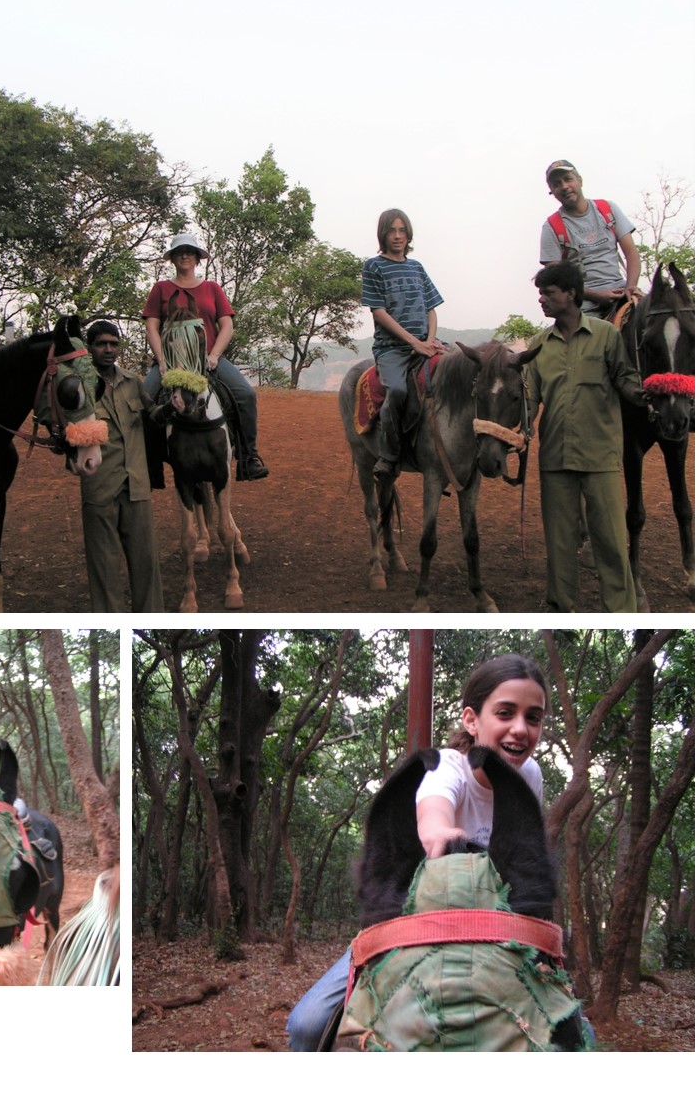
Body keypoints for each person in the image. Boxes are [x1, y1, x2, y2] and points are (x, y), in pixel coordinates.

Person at [286, 652, 549, 1052]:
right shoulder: (446, 767)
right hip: (413, 917)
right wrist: (441, 833)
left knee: (573, 1033)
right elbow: (433, 813)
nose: (520, 729)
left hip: (494, 927)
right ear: (472, 719)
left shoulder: (530, 776)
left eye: (533, 717)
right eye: (505, 713)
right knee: (307, 1024)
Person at [527, 262, 648, 613]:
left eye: (549, 293)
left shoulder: (606, 336)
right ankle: (561, 606)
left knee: (610, 539)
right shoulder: (538, 345)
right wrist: (522, 431)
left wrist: (642, 394)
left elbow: (624, 379)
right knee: (560, 542)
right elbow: (530, 399)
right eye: (540, 294)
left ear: (571, 294)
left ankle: (622, 608)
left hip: (601, 455)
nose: (543, 300)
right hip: (555, 456)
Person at [142, 233, 269, 480]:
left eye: (190, 251)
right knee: (143, 400)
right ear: (173, 258)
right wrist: (161, 361)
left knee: (245, 395)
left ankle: (247, 457)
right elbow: (151, 327)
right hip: (171, 361)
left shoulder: (212, 288)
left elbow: (227, 326)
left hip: (208, 360)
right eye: (180, 252)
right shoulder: (161, 288)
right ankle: (150, 463)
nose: (185, 255)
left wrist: (214, 355)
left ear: (198, 257)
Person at [79, 320, 164, 612]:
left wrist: (177, 407)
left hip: (136, 484)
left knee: (146, 563)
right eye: (102, 344)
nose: (108, 349)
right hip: (100, 486)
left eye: (114, 344)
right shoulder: (80, 387)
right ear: (89, 348)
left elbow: (154, 416)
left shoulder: (132, 381)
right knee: (103, 567)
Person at [361, 209, 445, 479]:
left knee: (461, 373)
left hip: (425, 341)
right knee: (396, 390)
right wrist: (413, 343)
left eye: (402, 230)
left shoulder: (417, 267)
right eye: (391, 230)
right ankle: (388, 456)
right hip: (392, 349)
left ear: (408, 233)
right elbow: (379, 312)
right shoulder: (374, 266)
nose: (397, 236)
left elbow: (432, 308)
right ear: (382, 234)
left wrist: (430, 341)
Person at [539, 160, 643, 317]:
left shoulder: (607, 209)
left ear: (579, 180)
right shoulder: (552, 227)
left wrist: (631, 286)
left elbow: (631, 253)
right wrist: (596, 295)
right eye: (556, 184)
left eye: (568, 179)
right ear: (552, 191)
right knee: (587, 337)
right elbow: (556, 280)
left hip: (621, 290)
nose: (564, 186)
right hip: (583, 302)